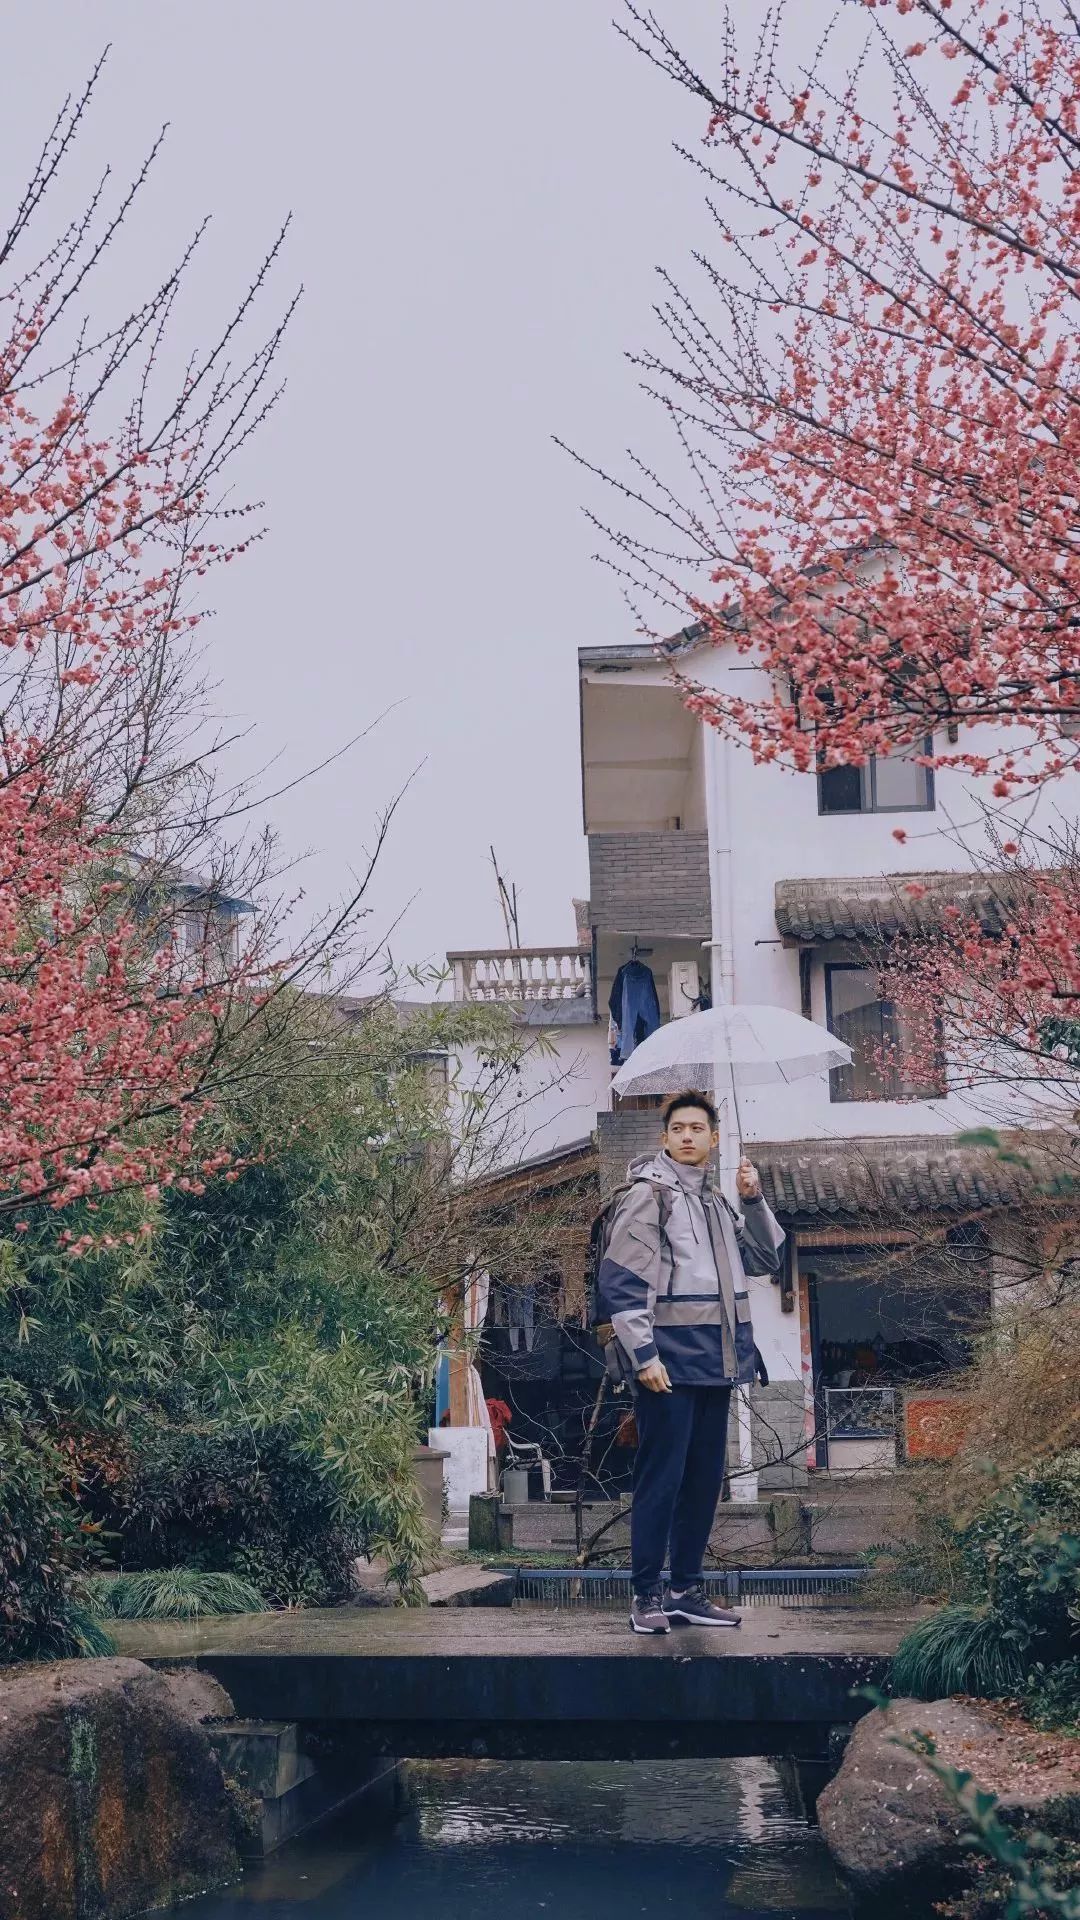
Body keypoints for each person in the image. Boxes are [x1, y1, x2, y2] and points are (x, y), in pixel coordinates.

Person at [596, 1091, 785, 1635]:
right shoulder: (648, 1196)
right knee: (661, 1479)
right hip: (668, 1363)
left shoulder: (718, 1203)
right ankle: (646, 1595)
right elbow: (622, 1282)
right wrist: (643, 1355)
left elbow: (765, 1258)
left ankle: (685, 1591)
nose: (686, 1136)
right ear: (664, 1138)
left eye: (697, 1128)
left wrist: (753, 1199)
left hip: (717, 1362)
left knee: (703, 1482)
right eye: (677, 1128)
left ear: (714, 1138)